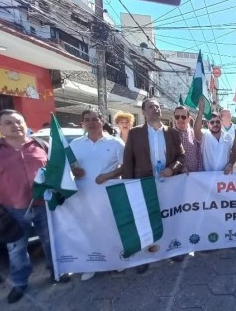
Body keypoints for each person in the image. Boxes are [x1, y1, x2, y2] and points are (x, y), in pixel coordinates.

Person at [0, 109, 70, 304]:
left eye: (19, 121)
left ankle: (56, 272)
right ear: (0, 127)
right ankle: (19, 282)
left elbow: (56, 171)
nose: (15, 125)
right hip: (12, 210)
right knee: (16, 249)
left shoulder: (40, 145)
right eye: (9, 122)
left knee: (51, 242)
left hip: (44, 206)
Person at [122, 98, 186, 270]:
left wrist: (173, 168)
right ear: (143, 112)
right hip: (144, 184)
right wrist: (128, 184)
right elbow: (128, 160)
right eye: (150, 107)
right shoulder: (135, 134)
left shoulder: (172, 133)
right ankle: (144, 257)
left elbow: (181, 157)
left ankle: (175, 249)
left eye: (157, 106)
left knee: (171, 216)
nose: (155, 109)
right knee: (145, 220)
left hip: (169, 184)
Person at [70, 109, 125, 281]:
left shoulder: (116, 143)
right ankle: (91, 265)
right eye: (87, 120)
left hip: (108, 196)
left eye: (95, 119)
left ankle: (116, 261)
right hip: (84, 197)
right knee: (89, 230)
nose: (92, 123)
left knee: (111, 229)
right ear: (83, 124)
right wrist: (73, 170)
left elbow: (125, 166)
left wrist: (108, 176)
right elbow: (66, 168)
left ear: (102, 121)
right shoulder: (75, 144)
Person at [194, 97, 236, 173]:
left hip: (224, 178)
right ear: (207, 124)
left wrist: (231, 164)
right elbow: (196, 130)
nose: (215, 124)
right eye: (212, 122)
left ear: (221, 122)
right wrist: (200, 111)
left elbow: (234, 153)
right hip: (207, 178)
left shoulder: (228, 137)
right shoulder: (204, 135)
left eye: (217, 122)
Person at [173, 106, 203, 173]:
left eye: (183, 117)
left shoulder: (193, 133)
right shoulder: (170, 135)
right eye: (177, 117)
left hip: (196, 176)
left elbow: (199, 153)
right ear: (174, 118)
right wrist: (180, 168)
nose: (180, 119)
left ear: (189, 119)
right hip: (178, 177)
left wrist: (200, 171)